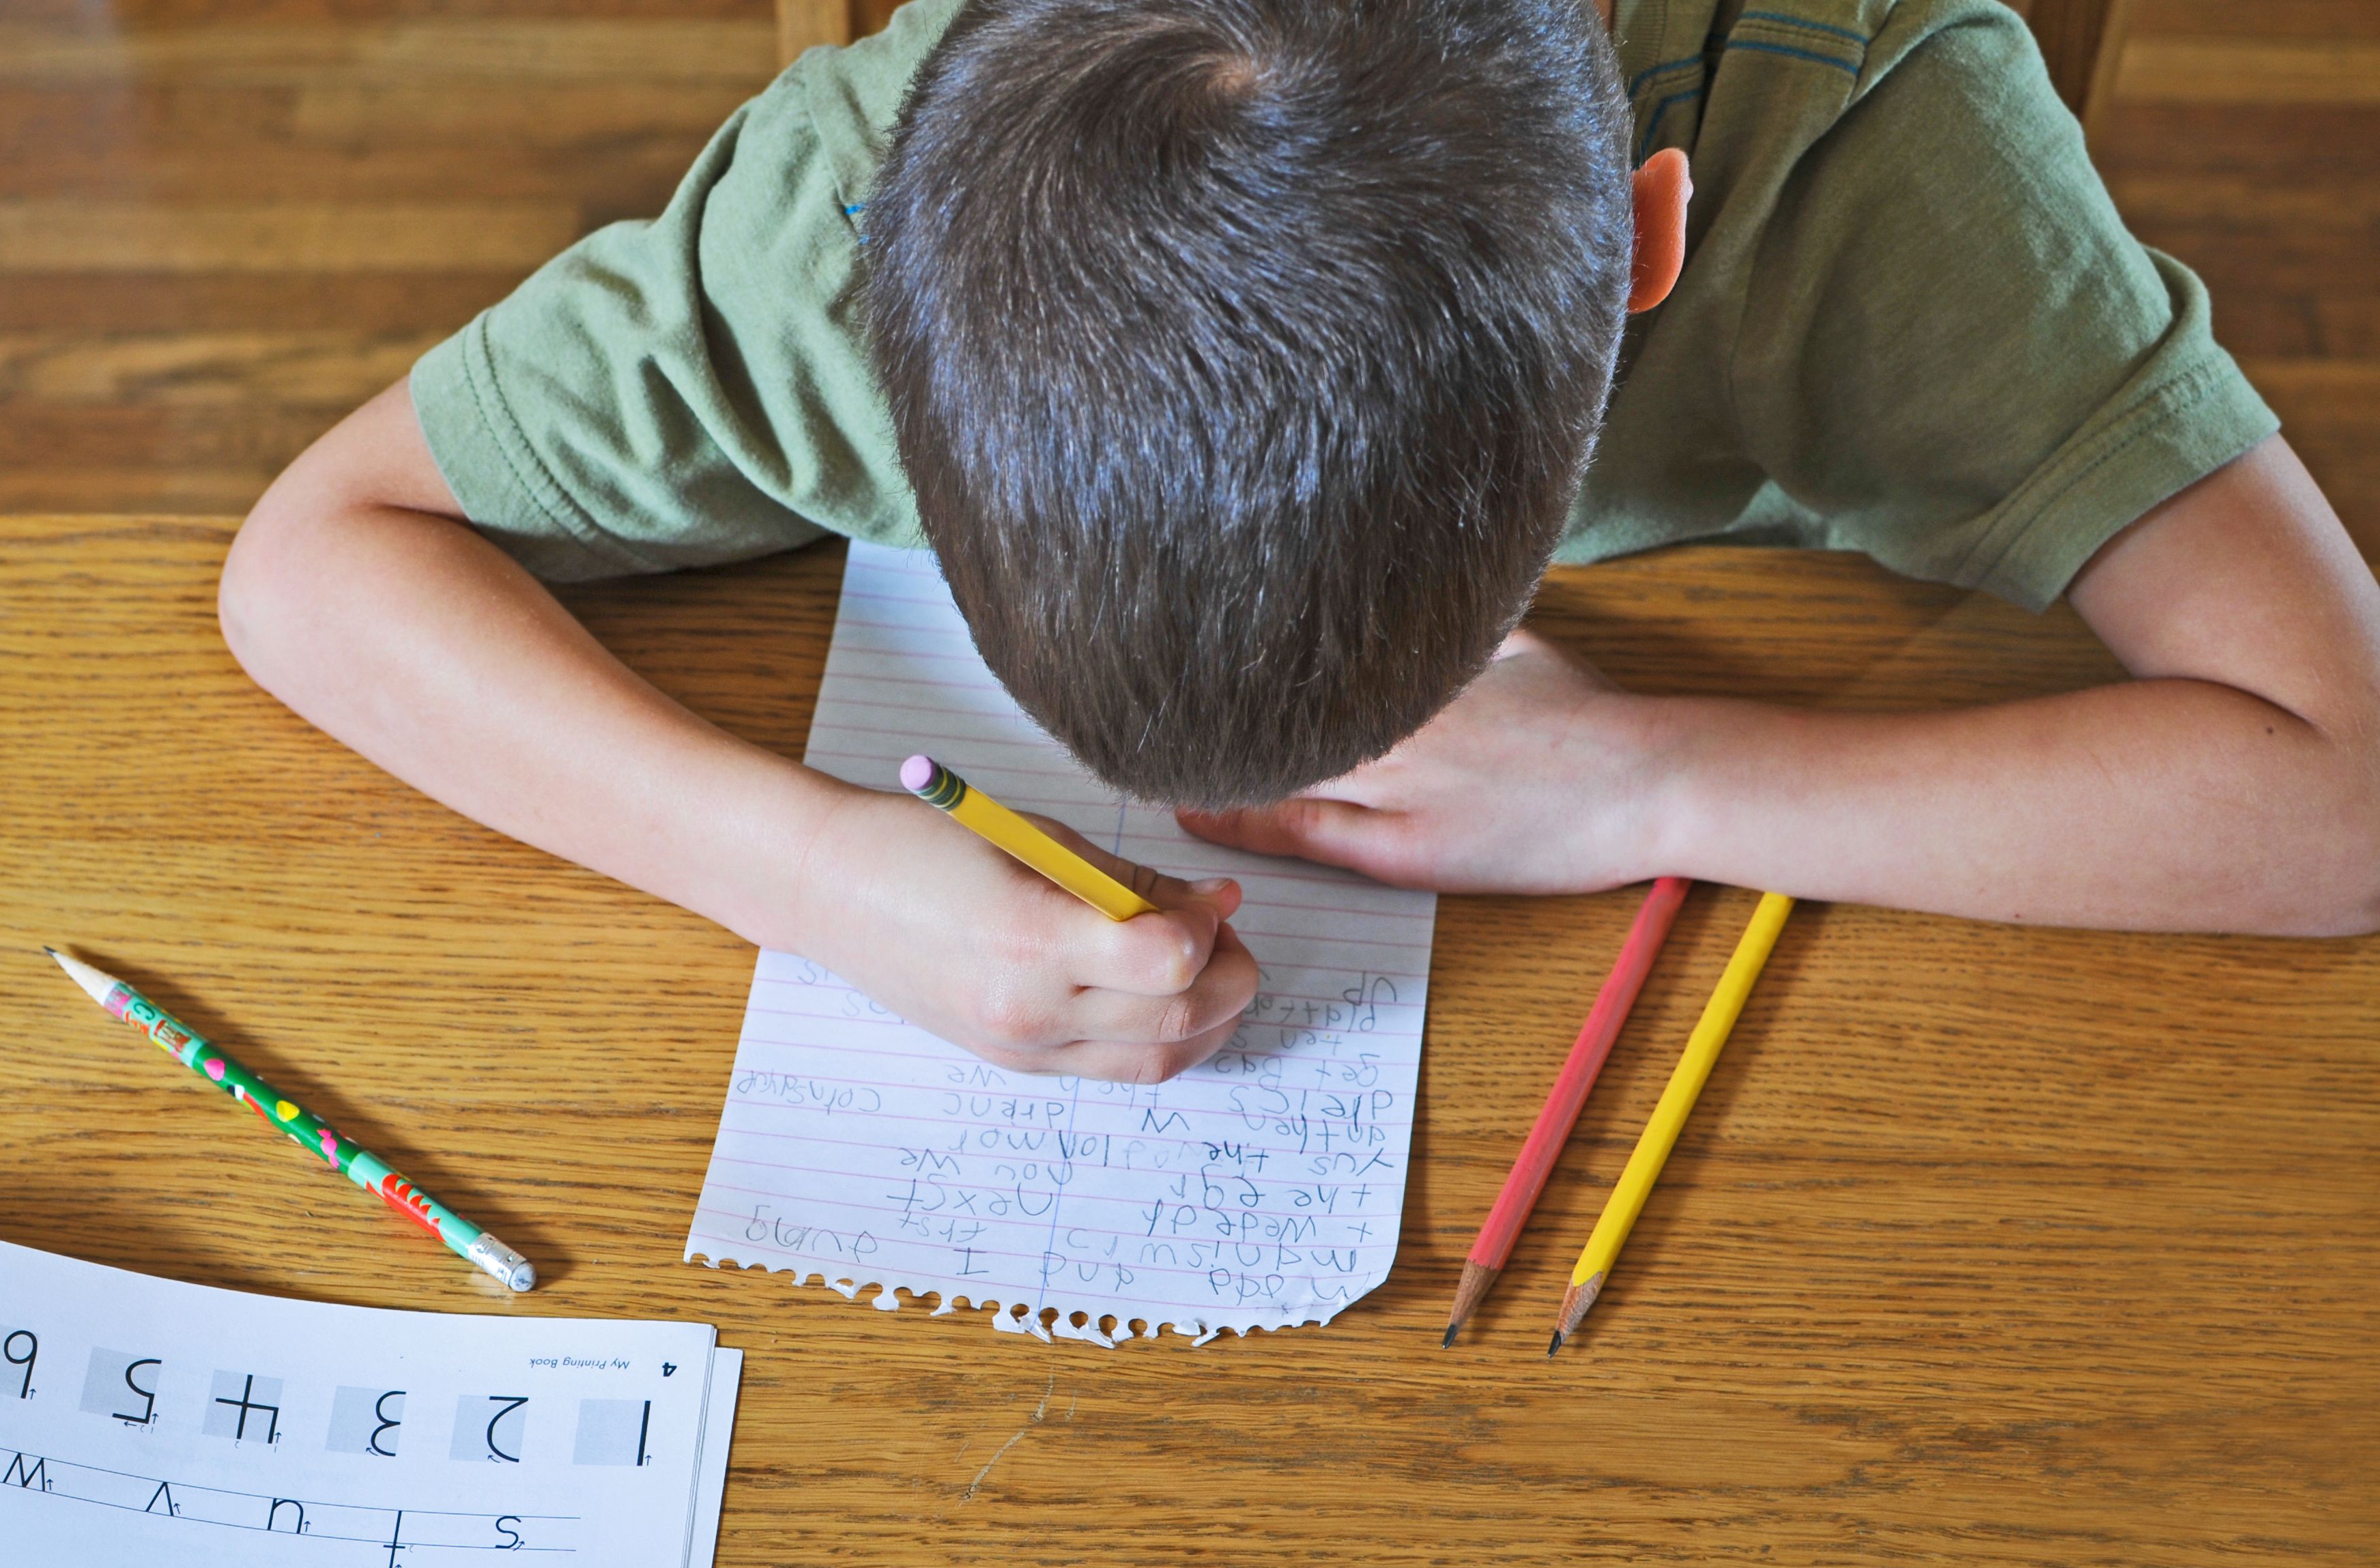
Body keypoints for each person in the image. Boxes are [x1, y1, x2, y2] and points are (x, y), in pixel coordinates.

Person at [218, 0, 2380, 1085]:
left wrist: (1666, 778)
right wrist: (810, 873)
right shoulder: (843, 218)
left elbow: (2346, 796)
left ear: (1649, 247)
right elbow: (315, 555)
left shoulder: (1889, 146)